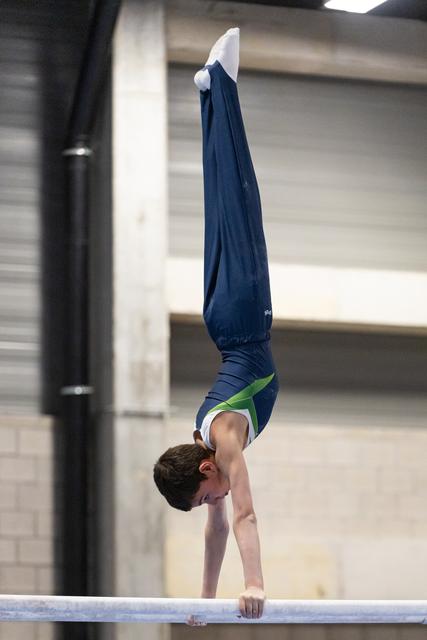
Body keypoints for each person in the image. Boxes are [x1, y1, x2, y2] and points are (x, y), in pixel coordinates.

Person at [153, 27, 279, 623]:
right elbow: (218, 531)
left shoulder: (225, 436)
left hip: (243, 318)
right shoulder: (207, 442)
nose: (218, 501)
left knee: (239, 201)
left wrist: (254, 583)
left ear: (207, 467)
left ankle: (223, 83)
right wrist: (203, 602)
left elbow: (246, 514)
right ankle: (208, 92)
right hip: (225, 322)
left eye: (209, 493)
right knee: (220, 206)